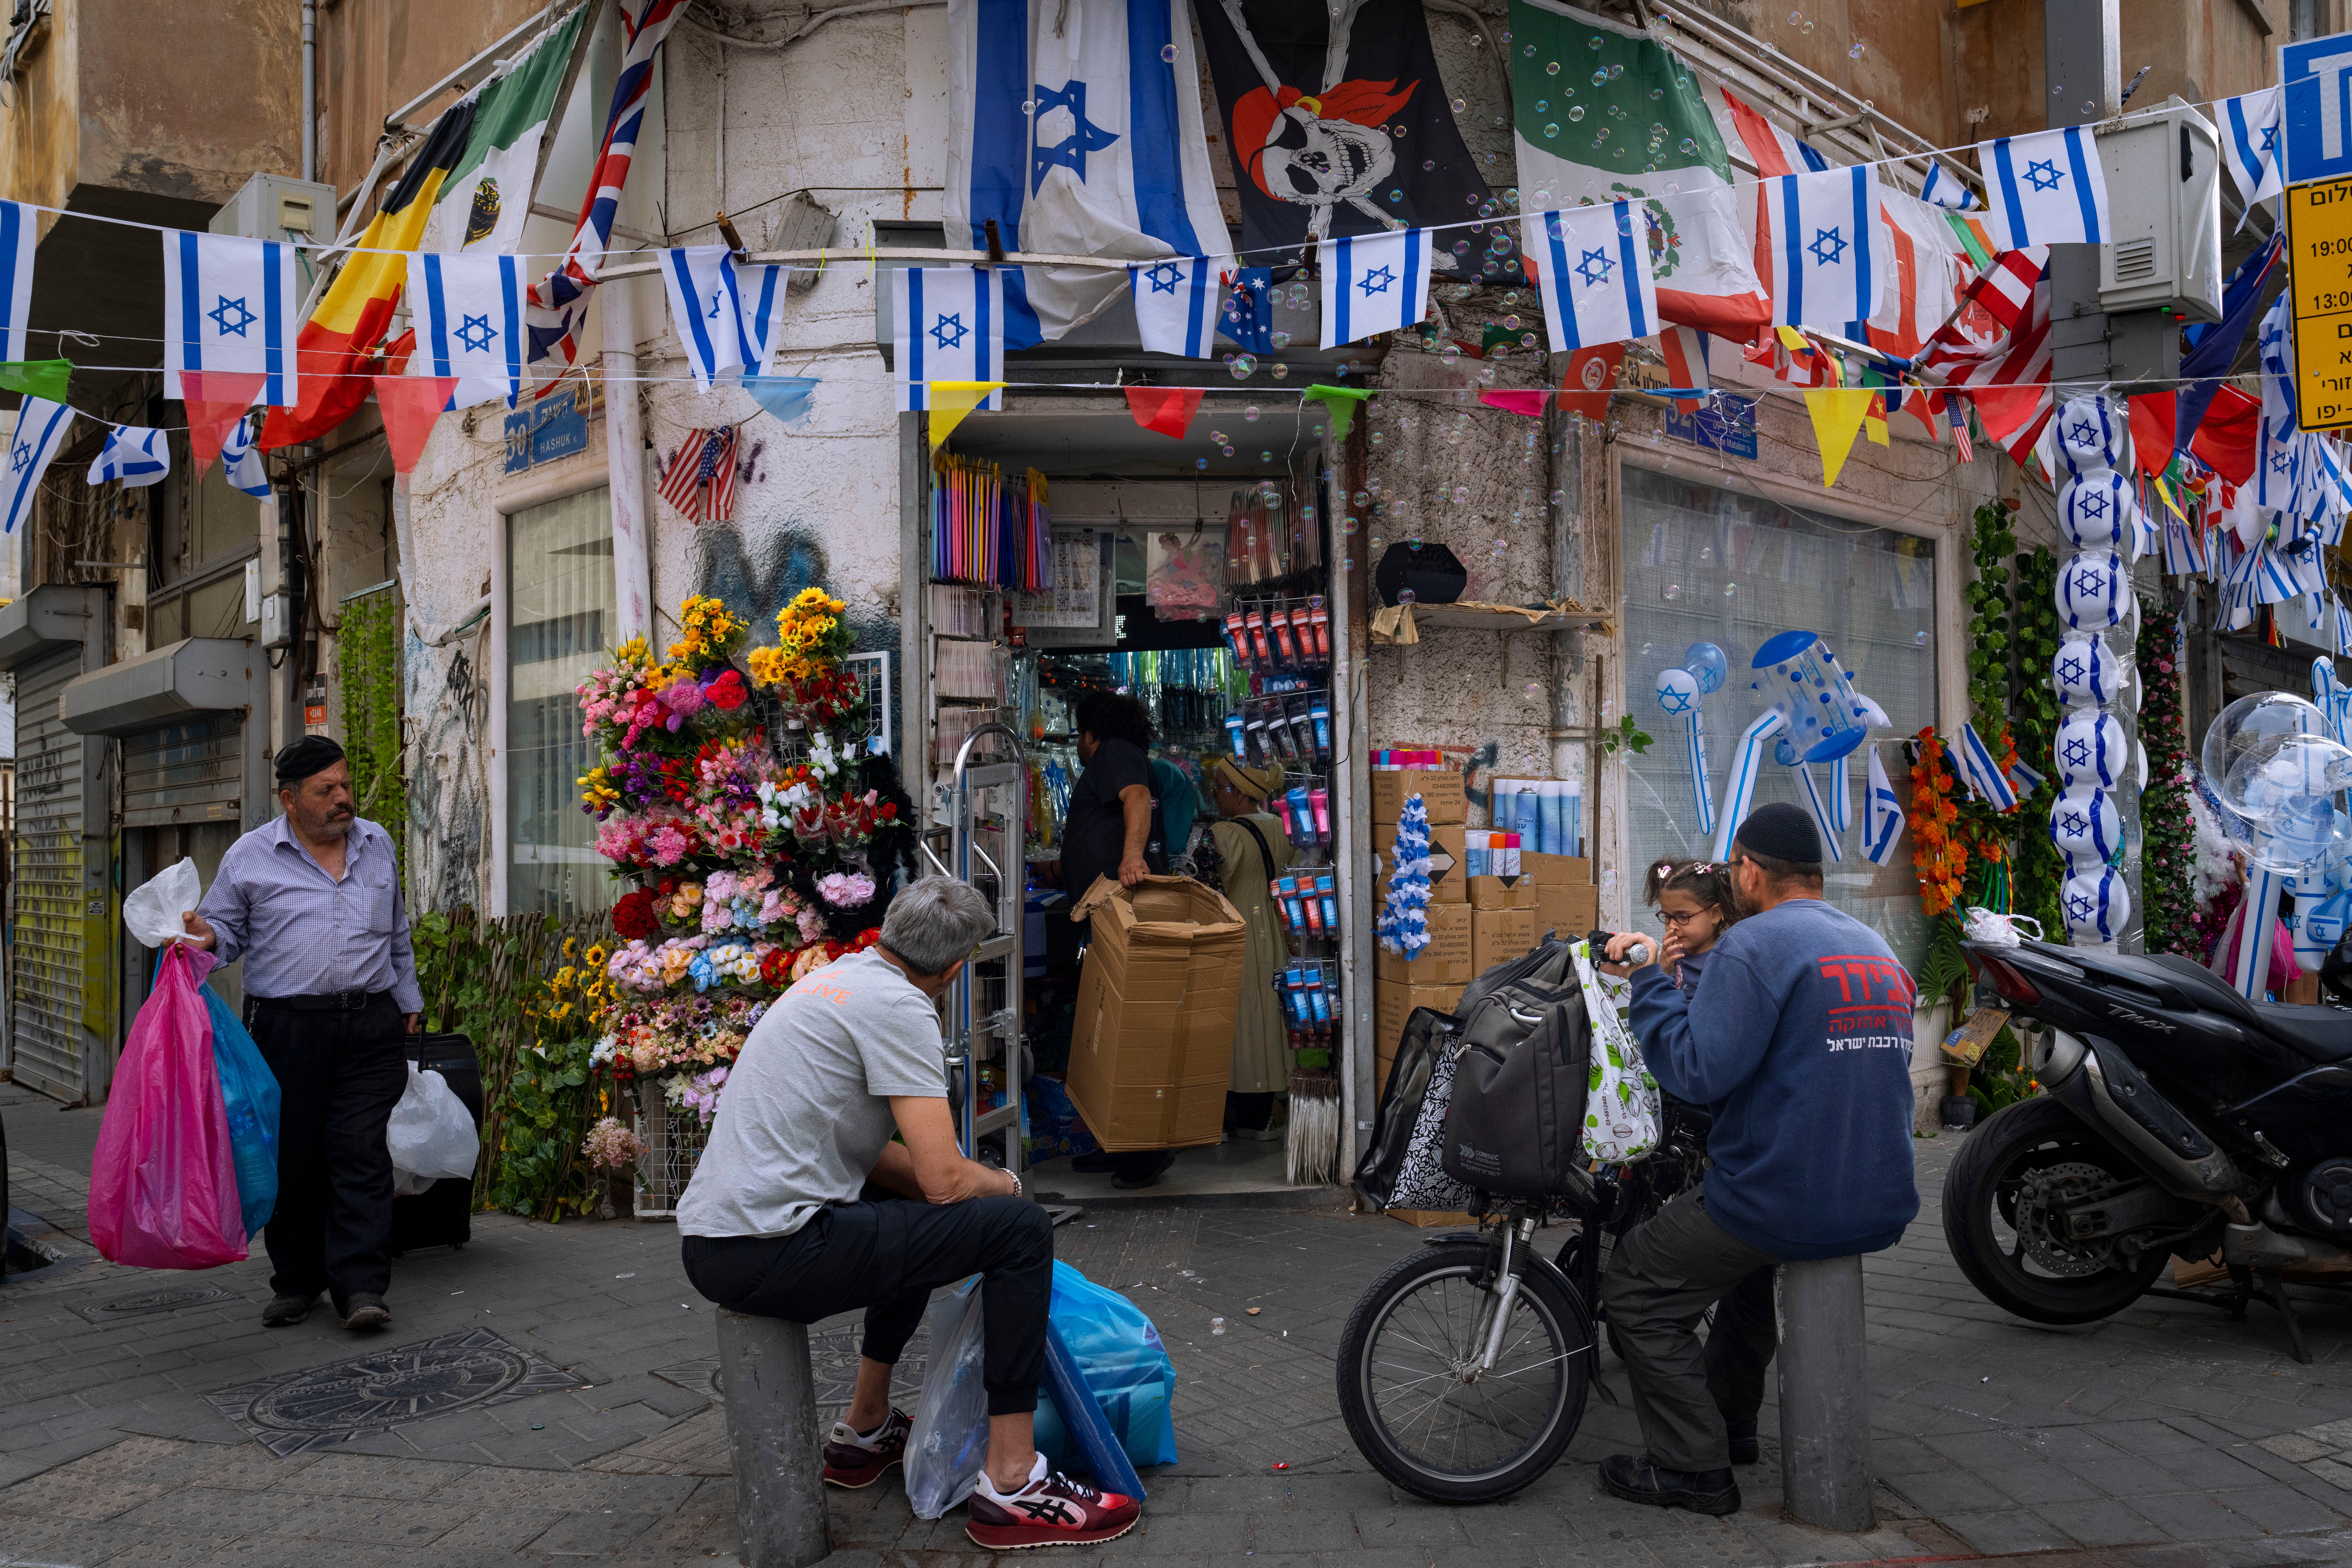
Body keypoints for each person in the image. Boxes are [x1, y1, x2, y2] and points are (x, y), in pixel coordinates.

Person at [677, 877, 1141, 1551]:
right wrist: (1007, 1185)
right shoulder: (899, 1008)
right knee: (1020, 1233)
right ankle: (1013, 1481)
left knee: (913, 1208)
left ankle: (865, 1430)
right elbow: (946, 1178)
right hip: (771, 1249)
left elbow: (883, 1166)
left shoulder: (836, 982)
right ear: (954, 970)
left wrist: (963, 1187)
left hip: (720, 1243)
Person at [1595, 802, 1918, 1516]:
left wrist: (1649, 981)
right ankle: (1732, 1423)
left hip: (1788, 1198)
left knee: (1636, 1286)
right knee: (1743, 1281)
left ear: (1747, 870)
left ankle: (1690, 1469)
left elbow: (1695, 1072)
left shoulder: (1755, 944)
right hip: (1880, 1193)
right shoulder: (1873, 945)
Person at [179, 736, 422, 1333]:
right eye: (327, 790)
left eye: (345, 785)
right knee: (292, 1156)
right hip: (287, 1028)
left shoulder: (377, 843)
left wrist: (409, 1001)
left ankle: (361, 1285)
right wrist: (201, 937)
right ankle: (297, 1280)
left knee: (359, 1153)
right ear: (290, 800)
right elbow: (225, 932)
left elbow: (397, 930)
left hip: (370, 1021)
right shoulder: (250, 856)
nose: (344, 799)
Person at [1056, 691, 1176, 1188]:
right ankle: (1117, 1142)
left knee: (1128, 1026)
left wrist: (1131, 858)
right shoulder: (1115, 756)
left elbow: (1135, 799)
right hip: (1103, 913)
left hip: (1120, 911)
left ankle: (1146, 1152)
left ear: (1092, 733)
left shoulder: (1116, 752)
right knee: (1106, 1027)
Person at [1206, 756, 1294, 1139]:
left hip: (1236, 934)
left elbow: (1205, 885)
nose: (1214, 793)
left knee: (1236, 1023)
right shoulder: (1279, 826)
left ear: (1240, 794)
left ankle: (1232, 1116)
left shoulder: (1226, 833)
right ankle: (1261, 1117)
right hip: (1272, 932)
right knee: (1267, 1022)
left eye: (1219, 786)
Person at [1641, 858, 1738, 996]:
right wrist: (1663, 969)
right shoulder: (1674, 954)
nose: (1672, 926)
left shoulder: (1722, 962)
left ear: (1715, 914)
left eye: (1683, 917)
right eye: (1667, 916)